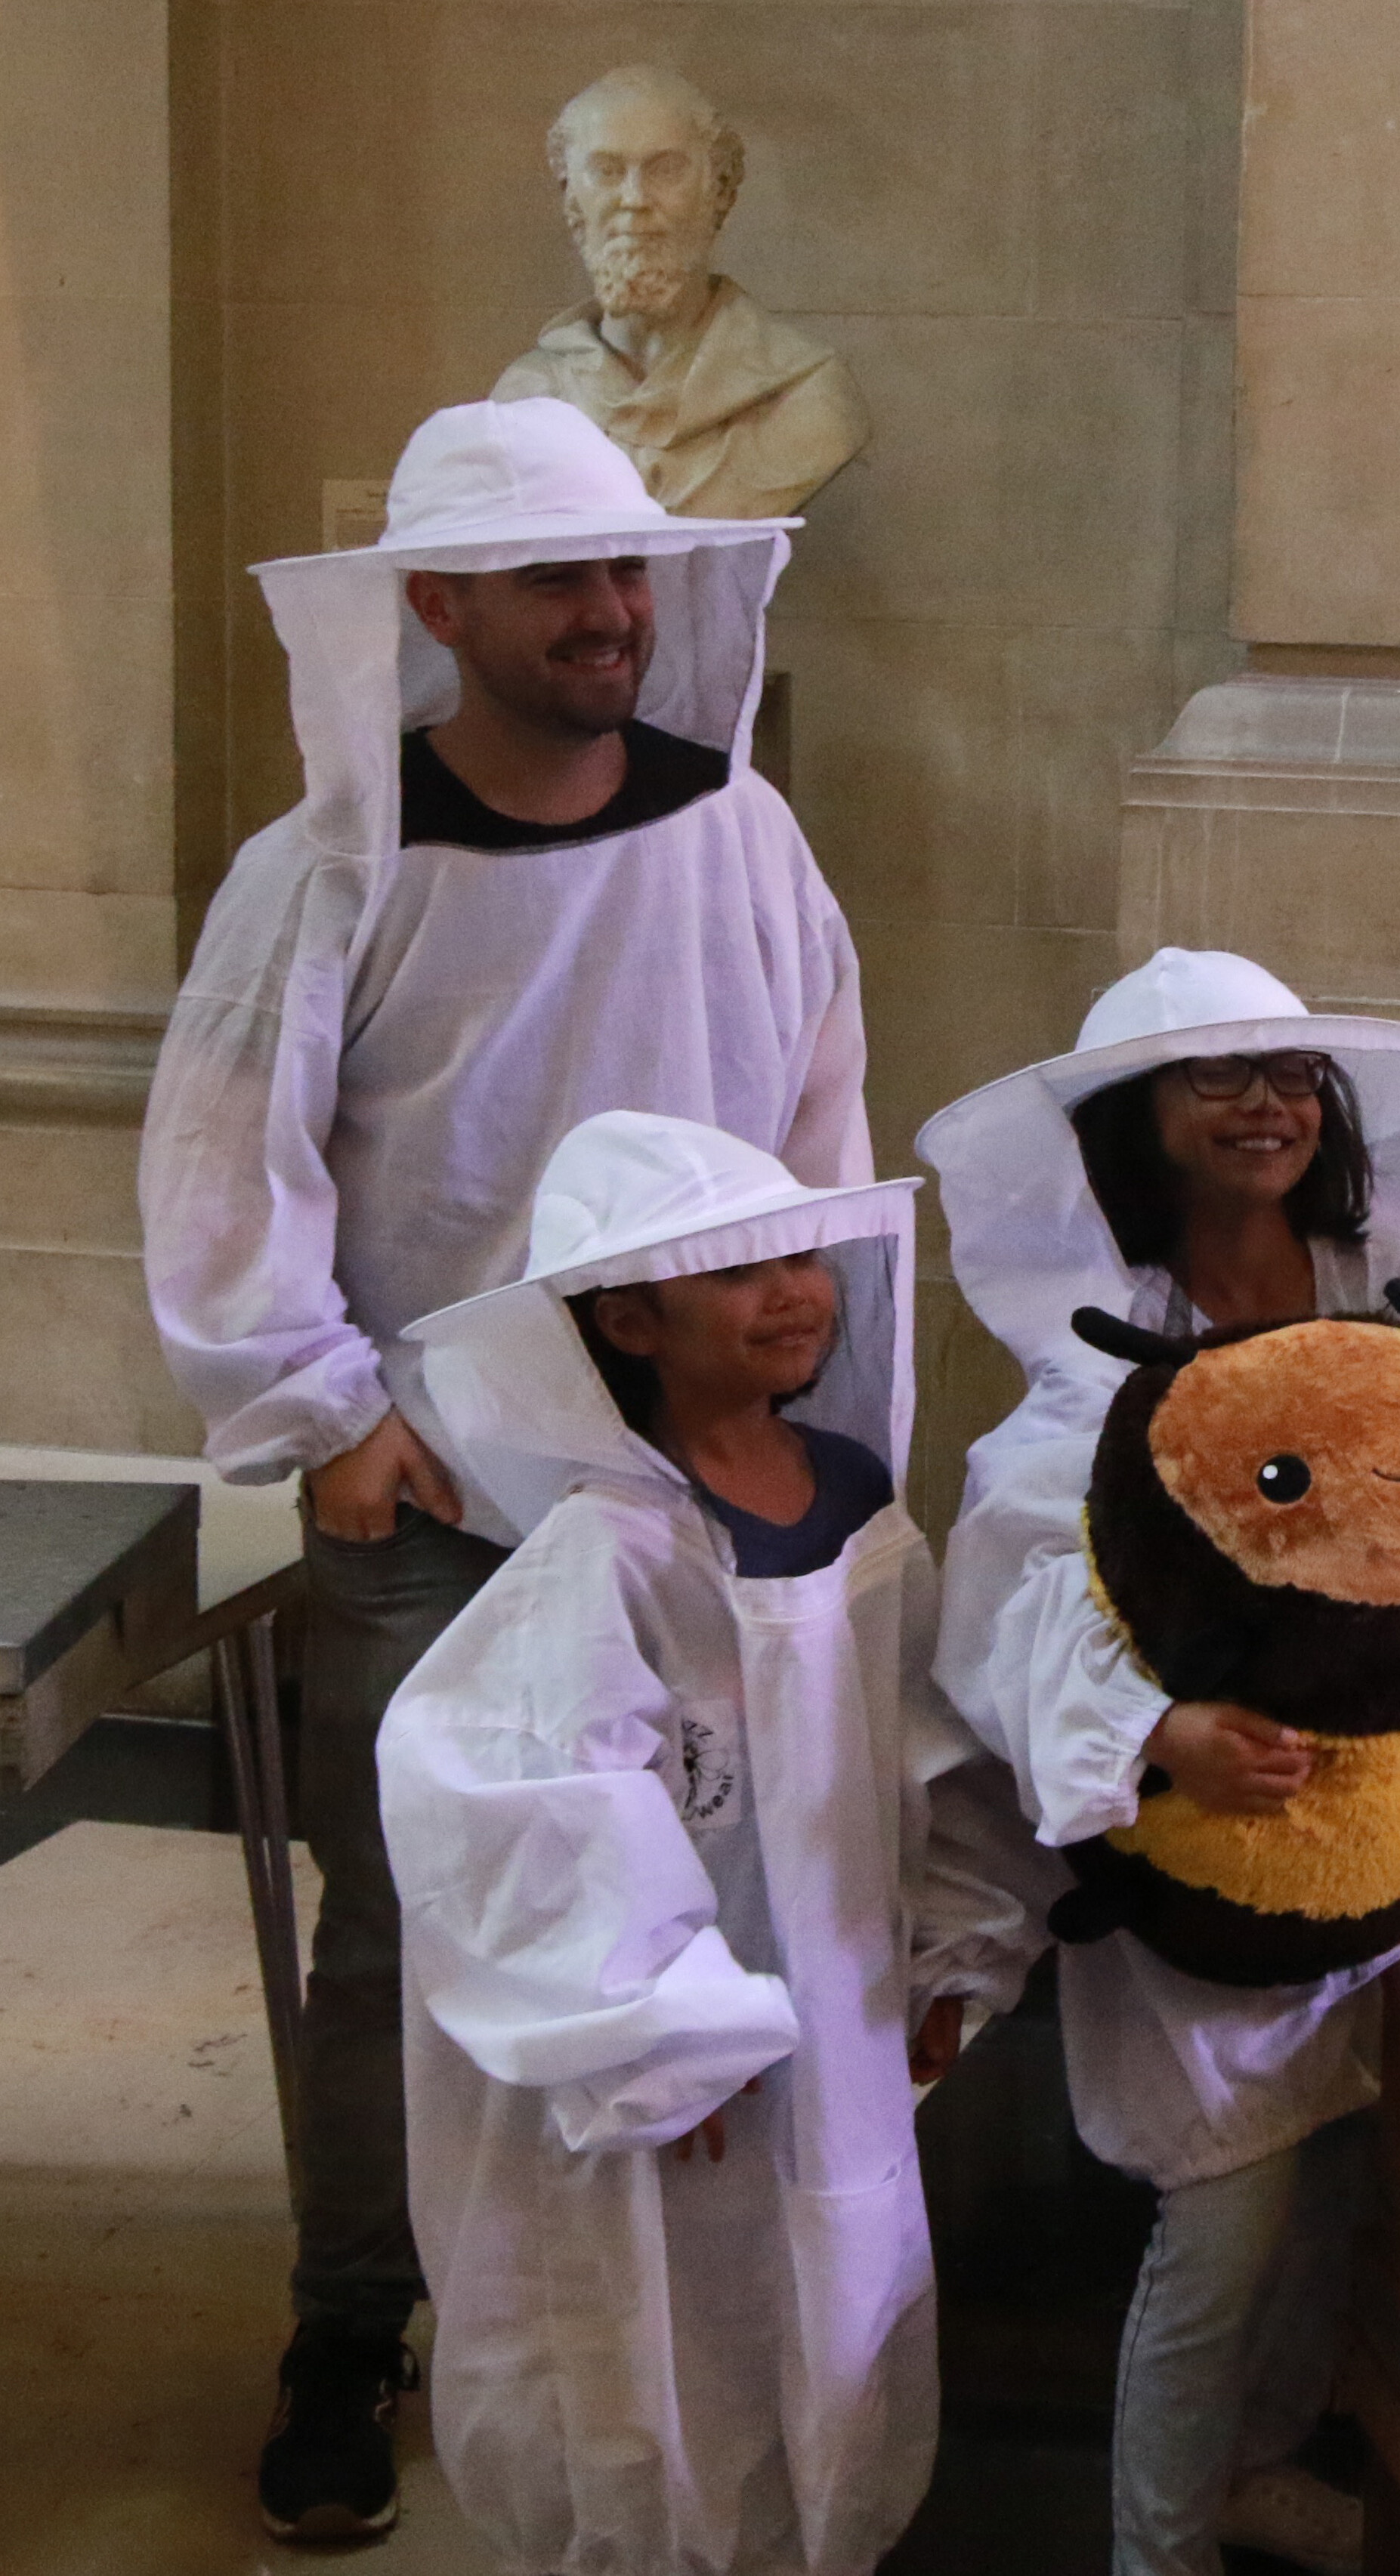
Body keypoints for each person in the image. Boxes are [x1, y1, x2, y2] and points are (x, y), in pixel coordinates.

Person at [138, 395, 870, 2543]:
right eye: (556, 577)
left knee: (712, 1893)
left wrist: (795, 1400)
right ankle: (352, 2320)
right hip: (442, 1501)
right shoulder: (332, 866)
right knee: (407, 1929)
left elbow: (814, 1121)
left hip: (696, 1479)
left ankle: (670, 2319)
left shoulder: (740, 833)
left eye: (626, 569)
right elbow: (225, 1164)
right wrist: (327, 1413)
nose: (608, 610)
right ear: (436, 608)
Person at [921, 948, 1400, 2576]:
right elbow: (1011, 1600)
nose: (1265, 1105)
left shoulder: (1387, 1314)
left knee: (1341, 2189)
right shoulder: (1102, 1359)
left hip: (1398, 1853)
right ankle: (1158, 2548)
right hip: (1213, 1889)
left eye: (1292, 1075)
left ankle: (1256, 2467)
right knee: (1226, 2222)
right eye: (1218, 1076)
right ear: (1136, 1119)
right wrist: (1154, 1733)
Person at [376, 1111, 1043, 2576]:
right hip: (684, 2067)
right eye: (741, 1272)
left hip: (841, 2014)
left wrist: (958, 1939)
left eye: (801, 1258)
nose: (795, 1293)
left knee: (836, 2275)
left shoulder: (856, 1499)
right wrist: (660, 2034)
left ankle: (819, 2538)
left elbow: (927, 1734)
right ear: (630, 1322)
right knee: (661, 2316)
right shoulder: (606, 1547)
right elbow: (520, 1789)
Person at [496, 64, 870, 520]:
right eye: (607, 172)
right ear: (571, 197)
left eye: (666, 170)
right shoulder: (526, 402)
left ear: (721, 191)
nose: (634, 198)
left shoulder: (806, 397)